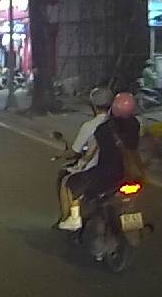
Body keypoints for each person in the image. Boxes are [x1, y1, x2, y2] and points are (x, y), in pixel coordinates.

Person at [55, 87, 114, 230]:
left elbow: (77, 151)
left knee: (66, 180)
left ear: (93, 105)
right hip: (118, 170)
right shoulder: (122, 124)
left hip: (96, 170)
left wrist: (60, 155)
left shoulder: (92, 126)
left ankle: (69, 218)